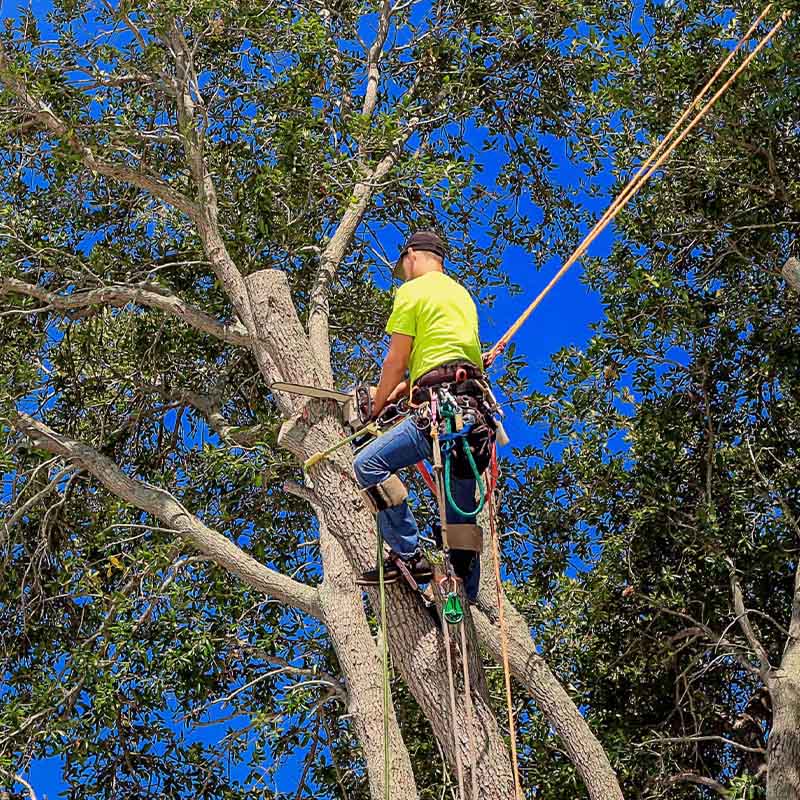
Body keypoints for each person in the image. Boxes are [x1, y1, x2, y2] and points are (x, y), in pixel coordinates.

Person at [354, 229, 494, 601]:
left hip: (439, 414)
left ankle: (408, 553)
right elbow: (442, 361)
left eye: (404, 266)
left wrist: (378, 405)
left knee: (368, 465)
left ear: (411, 256)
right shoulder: (460, 294)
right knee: (459, 521)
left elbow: (396, 361)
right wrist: (403, 394)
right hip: (473, 418)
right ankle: (468, 595)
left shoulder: (411, 292)